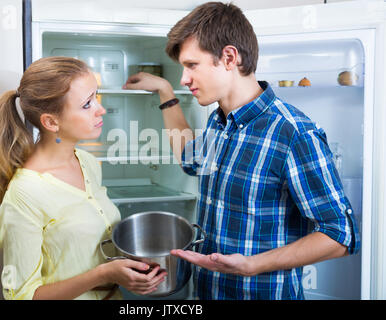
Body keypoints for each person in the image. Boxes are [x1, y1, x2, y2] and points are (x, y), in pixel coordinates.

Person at [123, 2, 360, 299]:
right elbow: (190, 158)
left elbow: (341, 235)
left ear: (229, 57)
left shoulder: (293, 133)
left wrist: (251, 265)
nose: (183, 78)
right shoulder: (219, 121)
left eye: (191, 65)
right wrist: (164, 91)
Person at [0, 56, 166, 300]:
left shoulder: (86, 162)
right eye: (87, 104)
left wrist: (129, 265)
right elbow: (23, 296)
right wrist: (103, 274)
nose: (100, 109)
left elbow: (84, 251)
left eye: (96, 96)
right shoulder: (25, 194)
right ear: (51, 121)